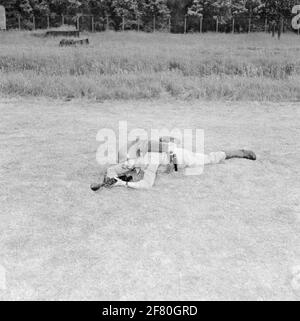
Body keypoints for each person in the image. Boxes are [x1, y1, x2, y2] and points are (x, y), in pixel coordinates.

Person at [91, 142, 256, 190]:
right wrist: (111, 179)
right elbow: (112, 170)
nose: (126, 164)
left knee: (209, 159)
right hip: (175, 162)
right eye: (126, 163)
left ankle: (240, 152)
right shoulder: (136, 164)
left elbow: (147, 184)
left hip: (181, 157)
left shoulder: (147, 159)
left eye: (127, 161)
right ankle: (238, 151)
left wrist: (122, 183)